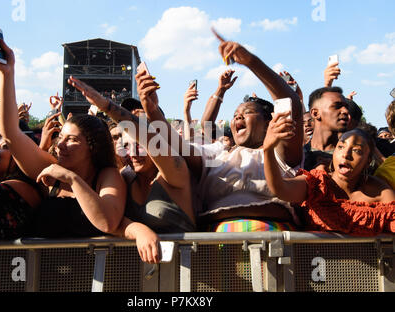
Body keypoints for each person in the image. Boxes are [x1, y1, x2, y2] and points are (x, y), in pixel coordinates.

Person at [134, 30, 305, 233]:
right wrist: (152, 111)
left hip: (278, 244)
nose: (238, 117)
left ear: (269, 122)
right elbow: (177, 147)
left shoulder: (279, 154)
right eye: (235, 115)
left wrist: (252, 62)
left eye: (248, 112)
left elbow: (291, 105)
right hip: (215, 248)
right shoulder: (217, 153)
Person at [0, 27, 126, 238]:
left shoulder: (107, 177)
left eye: (72, 139)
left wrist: (72, 179)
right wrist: (7, 73)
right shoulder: (50, 170)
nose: (59, 144)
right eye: (61, 138)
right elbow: (10, 133)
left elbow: (107, 221)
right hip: (40, 271)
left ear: (92, 146)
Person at [67, 74, 196, 264]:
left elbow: (150, 139)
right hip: (139, 278)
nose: (133, 153)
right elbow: (110, 222)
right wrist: (138, 230)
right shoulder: (124, 178)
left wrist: (106, 105)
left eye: (140, 145)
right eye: (127, 145)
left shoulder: (175, 174)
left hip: (188, 272)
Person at [264, 118, 395, 235]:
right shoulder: (317, 183)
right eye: (341, 147)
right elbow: (280, 189)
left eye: (357, 150)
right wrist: (268, 149)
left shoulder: (381, 192)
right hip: (315, 261)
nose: (346, 155)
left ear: (368, 161)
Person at [303, 87, 350, 171]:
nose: (345, 111)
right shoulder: (298, 156)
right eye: (337, 106)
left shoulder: (352, 156)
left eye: (346, 107)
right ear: (315, 113)